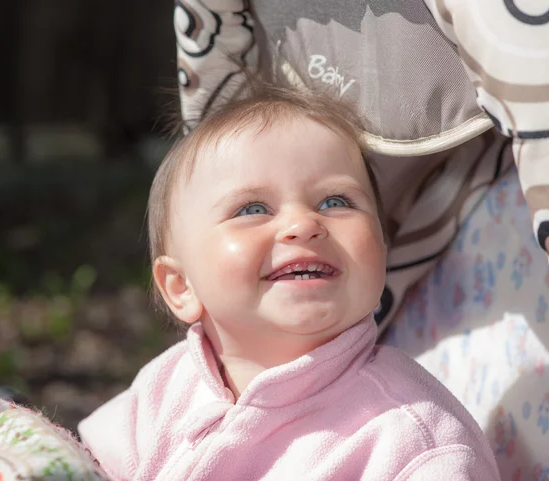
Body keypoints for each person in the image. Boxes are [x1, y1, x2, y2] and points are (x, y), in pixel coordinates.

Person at [78, 83, 500, 480]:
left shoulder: (410, 438)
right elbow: (82, 464)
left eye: (336, 202)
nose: (303, 224)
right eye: (252, 208)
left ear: (383, 249)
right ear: (181, 286)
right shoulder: (165, 388)